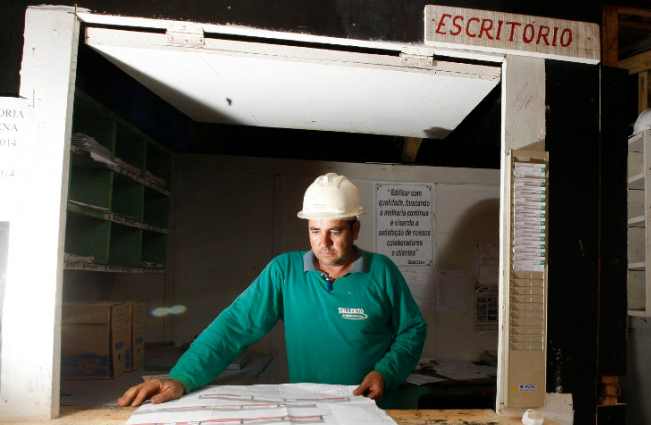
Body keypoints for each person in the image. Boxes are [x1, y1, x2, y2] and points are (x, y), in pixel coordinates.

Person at [118, 173, 427, 407]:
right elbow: (233, 326)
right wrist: (182, 377)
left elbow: (412, 330)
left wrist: (386, 373)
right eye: (315, 230)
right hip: (312, 409)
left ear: (355, 229)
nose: (323, 243)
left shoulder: (381, 271)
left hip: (374, 407)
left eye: (335, 231)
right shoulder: (284, 271)